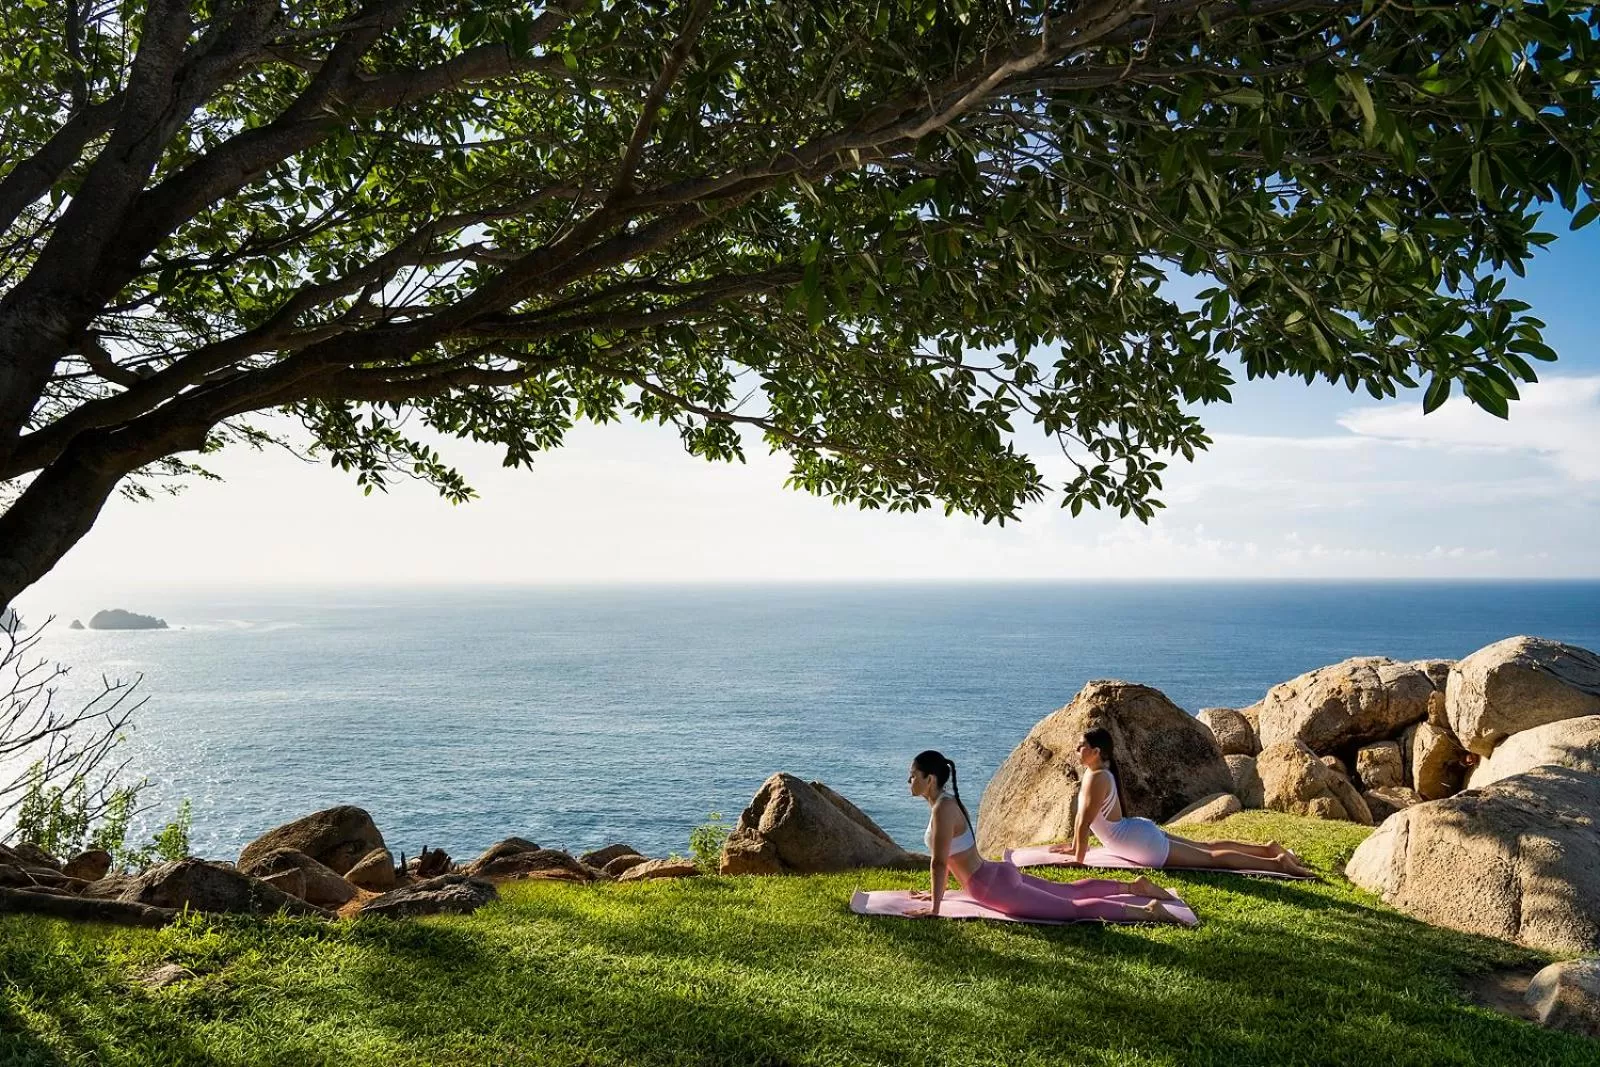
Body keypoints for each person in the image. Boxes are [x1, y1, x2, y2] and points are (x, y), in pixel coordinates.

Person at [904, 749, 1192, 924]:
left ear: (930, 779)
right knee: (1070, 892)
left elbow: (940, 862)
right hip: (994, 873)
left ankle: (1148, 912)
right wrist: (937, 892)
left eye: (913, 775)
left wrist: (935, 908)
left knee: (1072, 908)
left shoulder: (942, 810)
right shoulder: (948, 803)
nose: (909, 781)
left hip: (990, 887)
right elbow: (953, 856)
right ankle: (1134, 887)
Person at [1050, 728, 1313, 877]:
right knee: (1208, 848)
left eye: (1080, 746)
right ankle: (1268, 850)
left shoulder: (1096, 777)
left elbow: (1084, 821)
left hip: (1140, 843)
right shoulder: (1098, 773)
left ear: (1096, 752)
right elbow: (1082, 819)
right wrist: (1073, 847)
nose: (1076, 749)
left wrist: (1078, 858)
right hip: (1136, 834)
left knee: (1211, 858)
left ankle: (1278, 863)